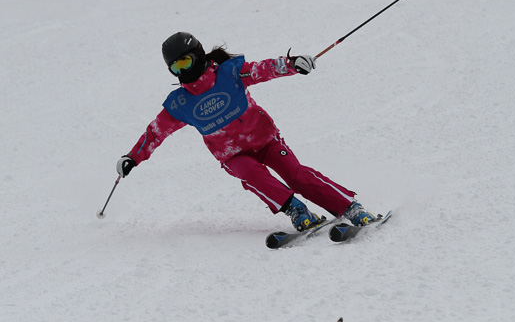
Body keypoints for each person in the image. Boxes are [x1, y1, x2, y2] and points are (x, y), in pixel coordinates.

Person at [116, 31, 377, 232]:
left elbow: (263, 69)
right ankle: (297, 211)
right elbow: (155, 133)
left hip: (264, 140)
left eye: (185, 62)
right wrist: (132, 157)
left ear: (199, 55)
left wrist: (293, 63)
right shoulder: (180, 103)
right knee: (252, 174)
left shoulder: (229, 73)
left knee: (295, 174)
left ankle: (350, 208)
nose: (183, 71)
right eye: (176, 68)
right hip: (231, 155)